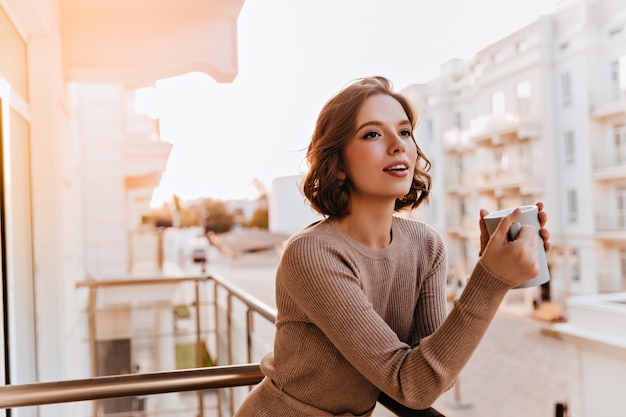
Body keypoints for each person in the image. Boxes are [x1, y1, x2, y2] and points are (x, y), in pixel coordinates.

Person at [234, 76, 550, 416]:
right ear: (338, 165)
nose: (398, 145)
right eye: (372, 133)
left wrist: (493, 268)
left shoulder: (427, 245)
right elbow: (413, 385)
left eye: (404, 132)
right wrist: (490, 280)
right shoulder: (311, 254)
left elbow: (434, 374)